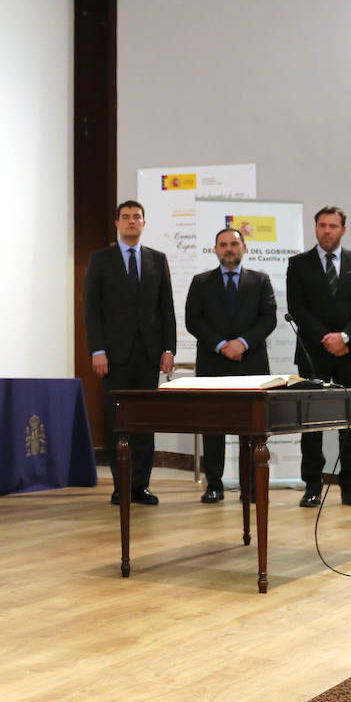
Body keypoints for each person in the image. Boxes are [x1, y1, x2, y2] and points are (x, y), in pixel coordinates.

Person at [83, 200, 177, 505]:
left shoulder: (157, 260)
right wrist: (97, 349)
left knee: (145, 421)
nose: (131, 221)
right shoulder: (101, 260)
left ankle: (141, 485)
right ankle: (121, 485)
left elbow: (166, 309)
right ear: (117, 224)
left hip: (149, 355)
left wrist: (168, 348)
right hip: (113, 356)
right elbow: (91, 309)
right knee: (118, 421)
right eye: (126, 217)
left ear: (144, 223)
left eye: (137, 217)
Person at [286, 205, 351, 507]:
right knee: (310, 422)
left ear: (343, 230)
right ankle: (312, 485)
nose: (327, 231)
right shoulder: (298, 264)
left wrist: (345, 337)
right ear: (316, 228)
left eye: (333, 226)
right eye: (322, 225)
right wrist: (326, 339)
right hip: (314, 353)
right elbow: (297, 308)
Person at [184, 228, 277, 502]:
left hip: (251, 365)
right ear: (215, 250)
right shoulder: (201, 282)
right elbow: (193, 320)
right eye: (223, 245)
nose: (228, 249)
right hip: (214, 364)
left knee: (251, 429)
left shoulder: (260, 281)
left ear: (244, 248)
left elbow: (268, 318)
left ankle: (250, 486)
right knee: (213, 427)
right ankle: (214, 484)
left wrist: (242, 343)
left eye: (234, 244)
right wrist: (222, 345)